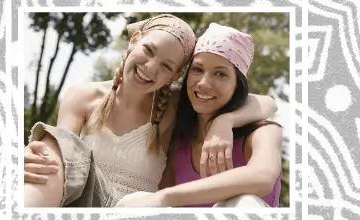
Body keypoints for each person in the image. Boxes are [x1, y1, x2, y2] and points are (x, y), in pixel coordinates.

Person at [20, 14, 278, 207]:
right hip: (86, 201)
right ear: (135, 40)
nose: (151, 68)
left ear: (175, 75)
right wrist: (35, 156)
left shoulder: (176, 103)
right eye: (148, 51)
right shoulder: (83, 95)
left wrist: (226, 121)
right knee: (54, 147)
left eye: (166, 66)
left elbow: (267, 102)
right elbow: (62, 162)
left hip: (140, 208)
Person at [116, 23, 283, 208]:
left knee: (244, 202)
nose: (204, 83)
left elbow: (263, 178)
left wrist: (225, 121)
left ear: (238, 85)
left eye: (220, 74)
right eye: (197, 69)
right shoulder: (180, 144)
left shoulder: (262, 133)